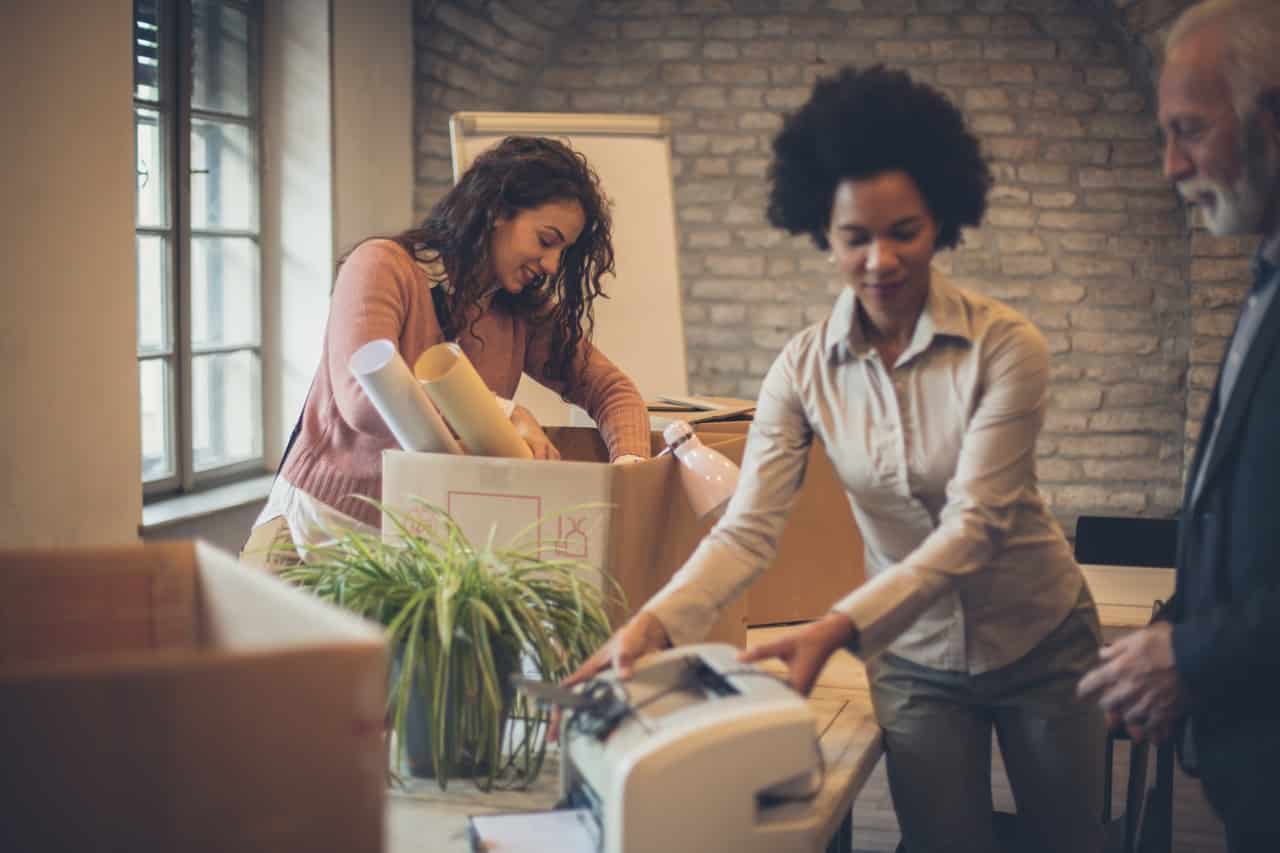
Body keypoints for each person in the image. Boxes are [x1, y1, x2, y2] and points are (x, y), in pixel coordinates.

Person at [563, 66, 1105, 853]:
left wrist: (836, 625)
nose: (880, 259)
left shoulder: (1004, 346)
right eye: (856, 237)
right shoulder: (802, 369)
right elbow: (747, 529)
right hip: (914, 660)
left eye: (904, 231)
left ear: (942, 221)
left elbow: (976, 528)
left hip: (1040, 638)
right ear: (825, 231)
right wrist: (648, 627)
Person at [1077, 2, 1280, 849]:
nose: (1169, 166)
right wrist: (1174, 634)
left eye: (1190, 130)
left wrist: (1193, 657)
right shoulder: (1266, 272)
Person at [245, 136, 651, 555]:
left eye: (561, 252)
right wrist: (505, 414)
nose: (550, 266)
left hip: (418, 547)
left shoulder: (521, 312)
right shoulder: (383, 267)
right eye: (546, 241)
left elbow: (611, 390)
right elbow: (364, 400)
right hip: (313, 531)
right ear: (497, 211)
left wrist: (630, 474)